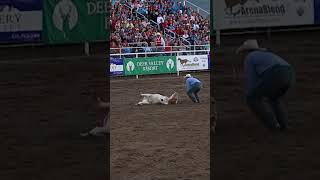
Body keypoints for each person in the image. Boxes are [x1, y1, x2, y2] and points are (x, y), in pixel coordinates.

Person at [236, 39, 295, 131]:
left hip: (275, 74)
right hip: (289, 73)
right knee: (273, 98)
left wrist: (250, 92)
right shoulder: (266, 54)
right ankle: (284, 125)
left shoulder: (250, 57)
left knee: (252, 98)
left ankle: (272, 125)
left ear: (246, 51)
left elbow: (252, 79)